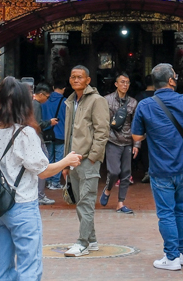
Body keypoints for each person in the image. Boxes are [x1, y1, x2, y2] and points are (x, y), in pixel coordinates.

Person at [0, 77, 81, 280]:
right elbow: (43, 171)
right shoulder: (26, 132)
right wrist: (67, 160)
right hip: (21, 205)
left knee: (0, 266)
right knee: (29, 265)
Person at [132, 63, 183, 270]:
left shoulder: (145, 105)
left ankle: (171, 256)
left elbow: (136, 136)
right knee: (182, 210)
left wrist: (155, 134)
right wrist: (182, 142)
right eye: (175, 75)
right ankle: (180, 253)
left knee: (166, 212)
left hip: (160, 168)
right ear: (171, 81)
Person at [61, 66, 110, 257]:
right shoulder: (71, 100)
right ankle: (92, 240)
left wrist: (92, 157)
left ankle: (82, 243)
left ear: (88, 80)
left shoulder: (97, 101)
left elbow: (102, 132)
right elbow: (69, 134)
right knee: (80, 201)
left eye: (79, 77)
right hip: (73, 159)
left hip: (88, 160)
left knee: (86, 202)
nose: (75, 80)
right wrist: (66, 162)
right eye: (73, 77)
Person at [102, 72, 138, 214]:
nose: (125, 85)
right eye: (122, 82)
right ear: (116, 84)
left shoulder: (133, 102)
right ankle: (108, 188)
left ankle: (120, 203)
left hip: (128, 141)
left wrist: (136, 145)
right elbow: (103, 122)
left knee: (126, 173)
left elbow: (136, 125)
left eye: (127, 82)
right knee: (114, 171)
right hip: (112, 140)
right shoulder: (106, 100)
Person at [31, 83, 57, 205]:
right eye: (46, 97)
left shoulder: (29, 102)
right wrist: (49, 123)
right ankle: (40, 195)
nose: (47, 100)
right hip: (36, 138)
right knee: (43, 164)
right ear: (40, 94)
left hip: (31, 138)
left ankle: (37, 194)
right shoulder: (36, 105)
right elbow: (36, 124)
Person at [42, 83, 67, 190]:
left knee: (48, 158)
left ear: (52, 87)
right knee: (59, 159)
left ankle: (47, 180)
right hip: (60, 133)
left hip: (47, 132)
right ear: (64, 88)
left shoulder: (45, 100)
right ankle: (55, 182)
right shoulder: (66, 102)